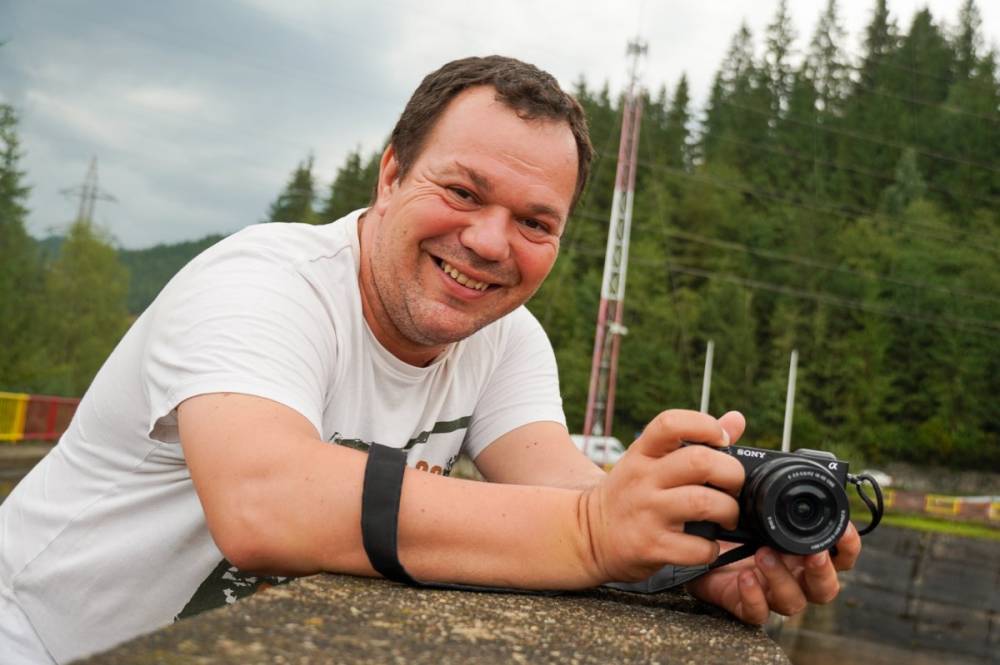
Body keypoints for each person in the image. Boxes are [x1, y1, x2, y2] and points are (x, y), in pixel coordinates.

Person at [0, 56, 860, 664]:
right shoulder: (261, 282)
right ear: (389, 174)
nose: (489, 243)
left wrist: (696, 554)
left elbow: (559, 489)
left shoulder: (506, 338)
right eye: (462, 191)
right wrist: (595, 533)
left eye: (535, 222)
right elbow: (263, 503)